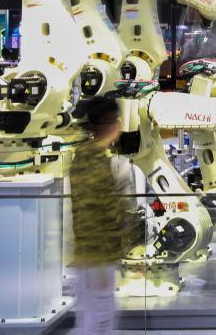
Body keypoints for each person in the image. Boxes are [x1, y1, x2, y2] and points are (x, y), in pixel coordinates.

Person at [69, 96, 130, 334]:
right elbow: (103, 211)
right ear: (114, 124)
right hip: (99, 253)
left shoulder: (83, 155)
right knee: (100, 318)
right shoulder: (101, 162)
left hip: (87, 251)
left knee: (90, 315)